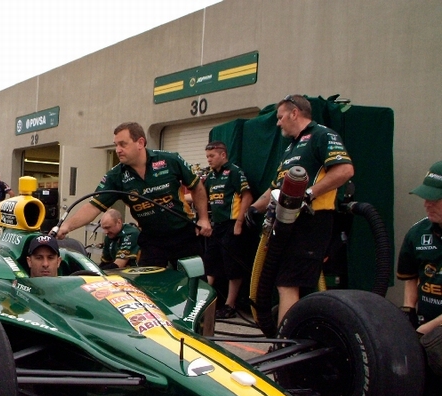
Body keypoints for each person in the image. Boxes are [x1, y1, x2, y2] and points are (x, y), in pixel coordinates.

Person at [249, 94, 354, 326]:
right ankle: (286, 339)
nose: (278, 123)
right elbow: (276, 188)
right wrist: (253, 209)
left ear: (294, 113)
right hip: (285, 223)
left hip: (312, 221)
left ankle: (284, 346)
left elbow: (345, 171)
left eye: (280, 117)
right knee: (282, 282)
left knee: (288, 283)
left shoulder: (322, 135)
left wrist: (309, 193)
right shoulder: (291, 147)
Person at [55, 122, 211, 268]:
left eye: (123, 144)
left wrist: (203, 219)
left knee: (195, 285)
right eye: (116, 145)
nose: (118, 150)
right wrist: (67, 226)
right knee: (148, 290)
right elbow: (93, 206)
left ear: (140, 143)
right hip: (152, 240)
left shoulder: (170, 160)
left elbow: (197, 187)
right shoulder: (115, 176)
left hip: (184, 234)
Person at [202, 141, 254, 318]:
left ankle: (230, 304)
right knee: (210, 263)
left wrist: (239, 222)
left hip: (232, 224)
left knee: (232, 266)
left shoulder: (234, 172)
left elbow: (247, 196)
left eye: (212, 156)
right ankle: (204, 302)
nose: (209, 159)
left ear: (223, 155)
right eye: (207, 156)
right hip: (217, 226)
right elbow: (200, 195)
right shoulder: (211, 177)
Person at [398, 161, 442, 336]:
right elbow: (411, 275)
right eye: (426, 197)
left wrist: (425, 331)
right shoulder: (417, 233)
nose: (427, 204)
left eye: (435, 199)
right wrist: (409, 310)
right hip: (426, 325)